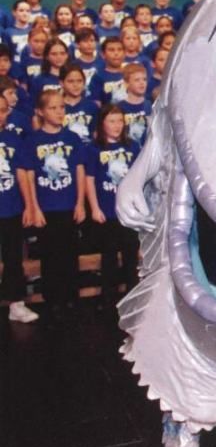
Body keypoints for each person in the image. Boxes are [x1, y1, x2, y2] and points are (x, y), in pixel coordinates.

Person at [21, 90, 86, 319]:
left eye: (62, 107)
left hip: (68, 205)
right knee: (50, 256)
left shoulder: (72, 138)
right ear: (40, 111)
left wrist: (80, 203)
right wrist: (34, 207)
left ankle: (71, 297)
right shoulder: (33, 140)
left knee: (70, 253)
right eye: (53, 108)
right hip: (46, 208)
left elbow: (79, 170)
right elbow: (28, 175)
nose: (59, 112)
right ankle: (53, 300)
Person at [85, 104, 142, 308]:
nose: (117, 125)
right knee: (108, 255)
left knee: (130, 254)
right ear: (102, 123)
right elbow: (89, 180)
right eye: (112, 121)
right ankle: (108, 295)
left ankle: (133, 293)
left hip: (127, 210)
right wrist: (94, 207)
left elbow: (138, 178)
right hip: (106, 210)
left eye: (120, 121)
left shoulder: (132, 146)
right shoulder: (94, 149)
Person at [0, 94, 38, 322]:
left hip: (11, 207)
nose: (0, 115)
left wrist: (29, 205)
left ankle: (16, 304)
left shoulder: (14, 139)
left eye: (3, 111)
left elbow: (23, 174)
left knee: (14, 257)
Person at [115, 64, 152, 147]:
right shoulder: (119, 108)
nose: (142, 83)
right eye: (137, 80)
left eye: (144, 79)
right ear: (126, 83)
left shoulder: (152, 106)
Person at [61, 64, 98, 144]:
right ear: (61, 83)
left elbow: (96, 134)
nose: (76, 85)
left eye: (79, 81)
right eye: (71, 81)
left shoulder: (92, 106)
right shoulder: (57, 107)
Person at [89, 36, 128, 106]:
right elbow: (96, 104)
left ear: (125, 53)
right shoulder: (98, 77)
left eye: (120, 50)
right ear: (103, 54)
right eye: (111, 50)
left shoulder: (131, 73)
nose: (116, 53)